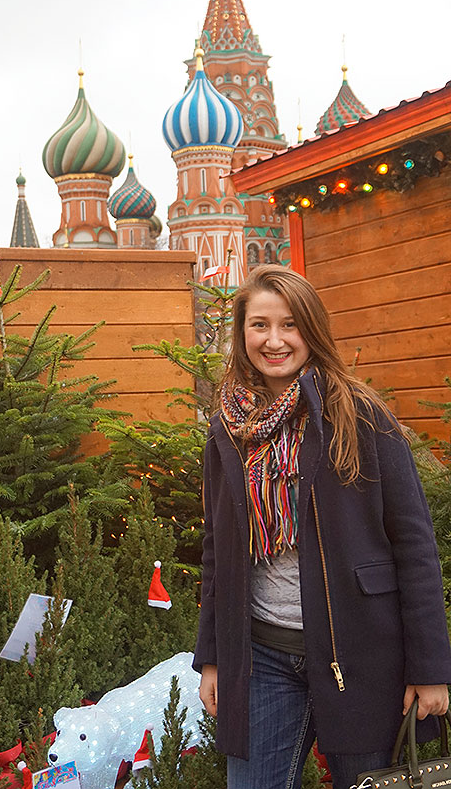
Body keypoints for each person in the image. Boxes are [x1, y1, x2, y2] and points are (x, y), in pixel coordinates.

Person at [193, 265, 451, 789]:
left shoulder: (361, 416)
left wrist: (430, 669)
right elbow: (218, 550)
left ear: (311, 328)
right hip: (262, 656)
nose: (274, 340)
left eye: (289, 324)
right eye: (260, 325)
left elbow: (415, 545)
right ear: (242, 333)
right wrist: (213, 658)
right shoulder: (228, 429)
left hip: (361, 655)